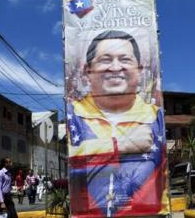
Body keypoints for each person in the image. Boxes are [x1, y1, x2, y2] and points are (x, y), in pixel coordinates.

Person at [67, 30, 168, 217]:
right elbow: (71, 163)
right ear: (87, 70)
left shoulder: (155, 118)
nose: (115, 67)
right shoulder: (73, 116)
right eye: (105, 60)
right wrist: (118, 144)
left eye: (125, 59)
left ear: (139, 68)